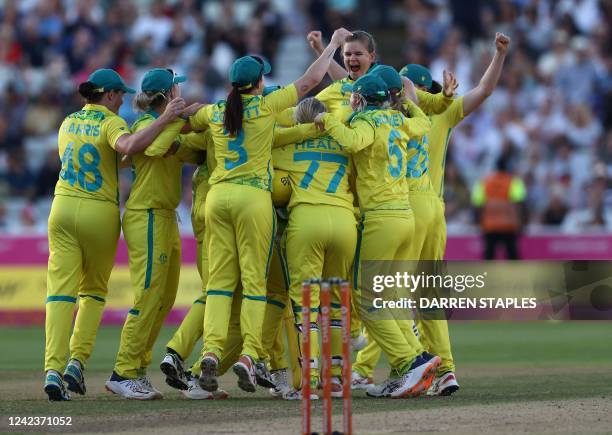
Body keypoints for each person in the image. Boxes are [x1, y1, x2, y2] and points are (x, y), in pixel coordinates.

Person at [189, 28, 353, 394]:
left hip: (217, 198)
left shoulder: (217, 112)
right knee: (254, 282)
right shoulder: (267, 106)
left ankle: (211, 351)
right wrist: (332, 45)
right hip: (253, 199)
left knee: (218, 285)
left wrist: (172, 114)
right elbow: (312, 79)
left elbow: (190, 118)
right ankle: (250, 354)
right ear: (260, 82)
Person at [44, 68, 185, 401]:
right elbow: (129, 146)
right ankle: (77, 362)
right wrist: (165, 121)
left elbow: (88, 158)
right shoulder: (112, 123)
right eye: (119, 94)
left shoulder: (67, 122)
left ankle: (52, 368)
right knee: (93, 292)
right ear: (107, 95)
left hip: (61, 207)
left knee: (59, 295)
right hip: (98, 212)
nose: (123, 99)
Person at [398, 32, 512, 395]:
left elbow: (349, 84)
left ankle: (408, 365)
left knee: (386, 293)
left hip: (401, 210)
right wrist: (499, 55)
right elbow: (484, 91)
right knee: (427, 295)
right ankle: (444, 369)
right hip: (435, 209)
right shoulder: (442, 114)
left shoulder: (389, 116)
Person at [315, 74, 440, 398]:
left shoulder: (367, 122)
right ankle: (419, 361)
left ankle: (408, 361)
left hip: (381, 218)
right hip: (405, 217)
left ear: (359, 99)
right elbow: (424, 123)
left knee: (365, 298)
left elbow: (350, 141)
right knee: (389, 296)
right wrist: (408, 103)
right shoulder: (399, 119)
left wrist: (324, 117)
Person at [105, 68, 204, 400]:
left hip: (164, 216)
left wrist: (198, 119)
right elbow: (149, 149)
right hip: (145, 215)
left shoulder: (161, 126)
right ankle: (123, 371)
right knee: (149, 295)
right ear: (167, 95)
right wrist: (176, 118)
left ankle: (138, 369)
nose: (181, 93)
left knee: (164, 298)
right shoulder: (147, 126)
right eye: (177, 89)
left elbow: (185, 146)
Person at [273, 97, 357, 399]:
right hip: (345, 222)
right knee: (336, 302)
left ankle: (308, 378)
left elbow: (272, 183)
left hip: (306, 220)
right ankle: (335, 378)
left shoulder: (287, 147)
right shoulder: (343, 142)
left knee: (304, 302)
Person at [472, 156, 526, 259]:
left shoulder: (484, 182)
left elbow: (477, 204)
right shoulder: (514, 182)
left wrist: (479, 222)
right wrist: (521, 223)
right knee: (513, 257)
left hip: (489, 225)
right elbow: (520, 205)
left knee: (489, 257)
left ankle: (487, 275)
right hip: (509, 225)